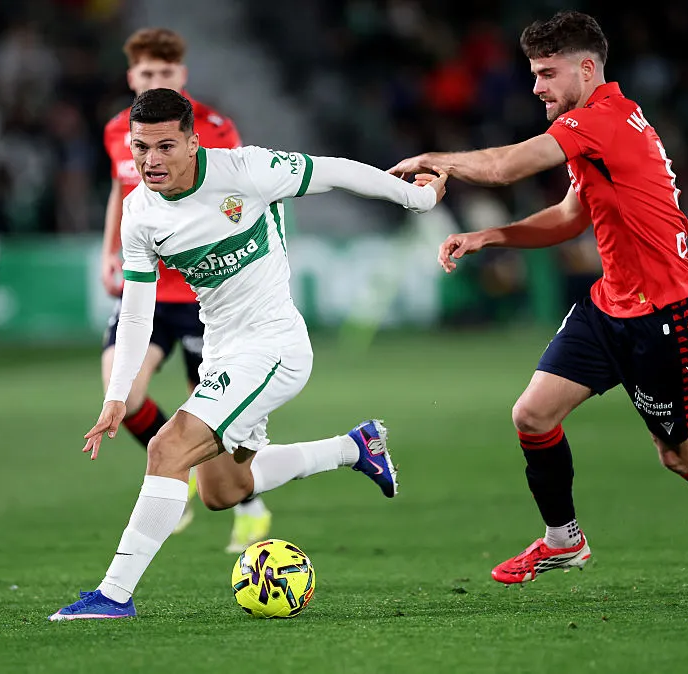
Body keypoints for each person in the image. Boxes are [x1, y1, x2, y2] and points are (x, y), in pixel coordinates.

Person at [390, 10, 688, 590]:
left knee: (681, 454)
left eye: (547, 73)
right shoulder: (595, 125)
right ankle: (563, 539)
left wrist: (437, 160)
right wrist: (489, 236)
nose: (536, 87)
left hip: (668, 316)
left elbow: (506, 166)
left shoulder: (602, 121)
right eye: (533, 74)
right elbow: (569, 217)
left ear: (586, 68)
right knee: (532, 414)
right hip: (611, 306)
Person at [48, 88, 447, 620]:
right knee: (223, 489)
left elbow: (333, 171)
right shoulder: (140, 213)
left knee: (167, 448)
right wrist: (117, 396)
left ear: (193, 142)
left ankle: (113, 595)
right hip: (222, 350)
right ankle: (355, 448)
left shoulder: (245, 170)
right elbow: (137, 313)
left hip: (273, 345)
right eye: (141, 148)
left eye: (166, 146)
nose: (151, 160)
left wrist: (416, 200)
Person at [100, 27, 264, 552]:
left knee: (220, 422)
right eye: (147, 74)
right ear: (132, 77)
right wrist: (110, 253)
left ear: (182, 77)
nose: (155, 81)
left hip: (202, 295)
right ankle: (175, 470)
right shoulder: (117, 131)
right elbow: (119, 191)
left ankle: (249, 502)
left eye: (165, 74)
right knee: (124, 394)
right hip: (148, 292)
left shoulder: (213, 129)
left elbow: (243, 195)